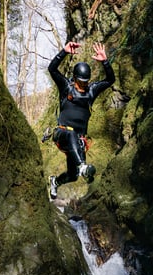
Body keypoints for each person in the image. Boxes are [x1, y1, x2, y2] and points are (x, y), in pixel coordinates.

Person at [48, 41, 115, 199]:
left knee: (74, 175)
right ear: (74, 78)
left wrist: (105, 61)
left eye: (85, 82)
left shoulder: (92, 91)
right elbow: (52, 69)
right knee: (71, 134)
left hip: (79, 140)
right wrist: (63, 52)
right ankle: (83, 166)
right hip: (61, 133)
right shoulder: (66, 87)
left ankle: (55, 182)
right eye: (80, 82)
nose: (83, 85)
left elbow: (110, 80)